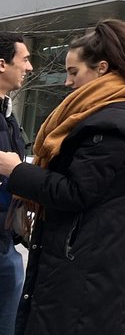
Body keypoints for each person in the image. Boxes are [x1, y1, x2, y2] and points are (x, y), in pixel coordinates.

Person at [0, 19, 125, 335]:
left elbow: (76, 192)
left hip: (86, 264)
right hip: (86, 257)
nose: (67, 82)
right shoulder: (104, 116)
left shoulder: (109, 123)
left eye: (74, 72)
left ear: (102, 68)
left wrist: (17, 170)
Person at [0, 33, 31, 335]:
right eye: (24, 59)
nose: (29, 67)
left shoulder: (8, 116)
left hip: (6, 239)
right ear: (1, 64)